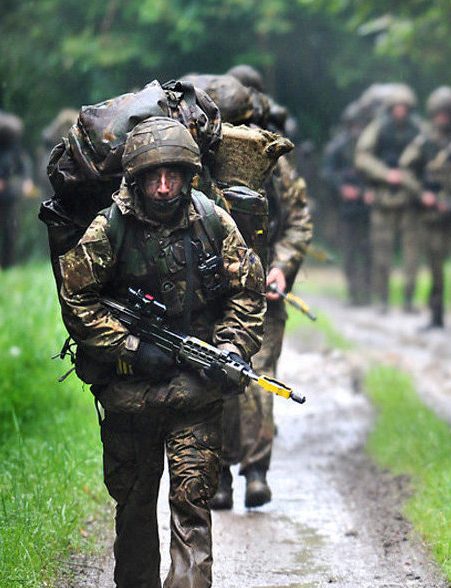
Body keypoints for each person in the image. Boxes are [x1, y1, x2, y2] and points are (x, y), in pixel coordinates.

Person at [56, 116, 266, 587]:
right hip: (130, 399)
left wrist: (231, 347)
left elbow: (247, 292)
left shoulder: (212, 220)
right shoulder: (109, 228)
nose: (165, 187)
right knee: (133, 513)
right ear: (137, 179)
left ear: (189, 175)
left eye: (173, 176)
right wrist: (130, 348)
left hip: (196, 395)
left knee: (192, 506)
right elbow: (77, 301)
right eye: (155, 177)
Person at [193, 73, 314, 510]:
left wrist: (281, 268)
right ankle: (222, 474)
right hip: (209, 292)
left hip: (264, 291)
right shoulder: (189, 161)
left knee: (259, 383)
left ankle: (256, 471)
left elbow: (297, 220)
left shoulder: (272, 160)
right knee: (217, 380)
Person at [399, 86, 451, 330]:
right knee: (436, 269)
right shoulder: (424, 141)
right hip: (433, 213)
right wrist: (422, 194)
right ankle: (436, 316)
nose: (443, 118)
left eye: (447, 113)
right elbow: (405, 169)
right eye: (439, 113)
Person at [354, 83, 424, 314]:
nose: (400, 111)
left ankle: (408, 300)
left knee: (411, 256)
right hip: (384, 199)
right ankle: (382, 299)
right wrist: (386, 174)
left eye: (404, 107)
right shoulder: (379, 128)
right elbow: (362, 157)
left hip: (410, 200)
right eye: (397, 107)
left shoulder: (419, 130)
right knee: (381, 252)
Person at [322, 101, 373, 306]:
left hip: (366, 208)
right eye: (353, 125)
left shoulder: (368, 147)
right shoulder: (338, 147)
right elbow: (326, 174)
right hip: (345, 209)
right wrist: (342, 188)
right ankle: (354, 292)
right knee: (350, 252)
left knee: (368, 250)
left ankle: (367, 293)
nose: (356, 129)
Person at [0, 110, 33, 268]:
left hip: (10, 195)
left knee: (11, 231)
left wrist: (26, 182)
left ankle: (8, 265)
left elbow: (24, 167)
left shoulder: (14, 148)